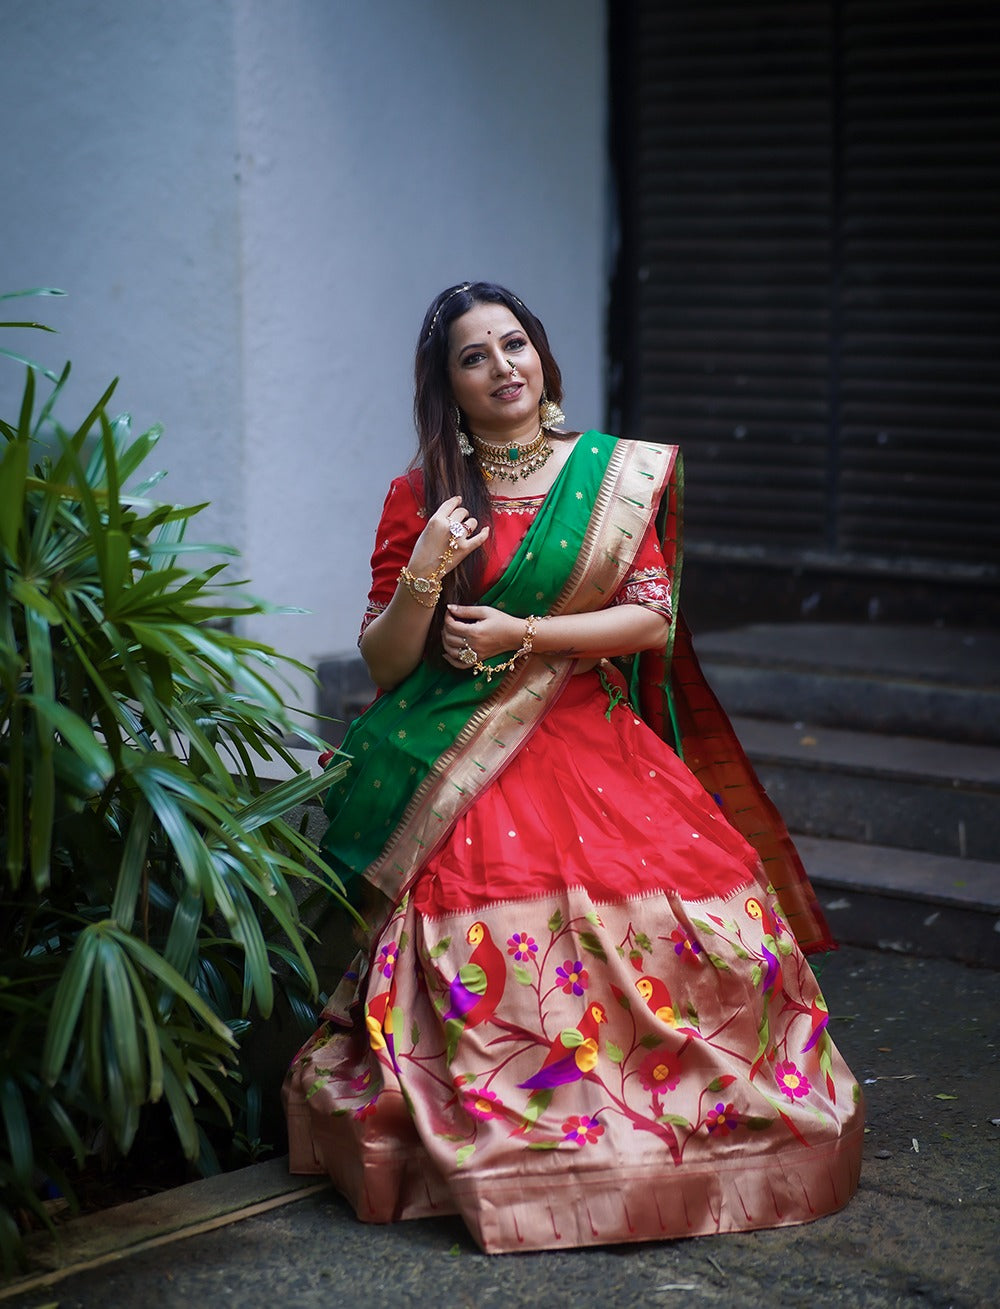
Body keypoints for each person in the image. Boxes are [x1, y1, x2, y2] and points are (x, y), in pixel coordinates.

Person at [283, 281, 863, 1253]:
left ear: (542, 358)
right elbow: (387, 661)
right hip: (459, 751)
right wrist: (427, 565)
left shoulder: (611, 477)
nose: (502, 366)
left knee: (690, 931)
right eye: (475, 356)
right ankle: (514, 1136)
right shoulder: (421, 496)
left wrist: (524, 631)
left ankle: (684, 1120)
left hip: (592, 731)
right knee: (488, 940)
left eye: (515, 345)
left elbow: (649, 618)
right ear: (447, 385)